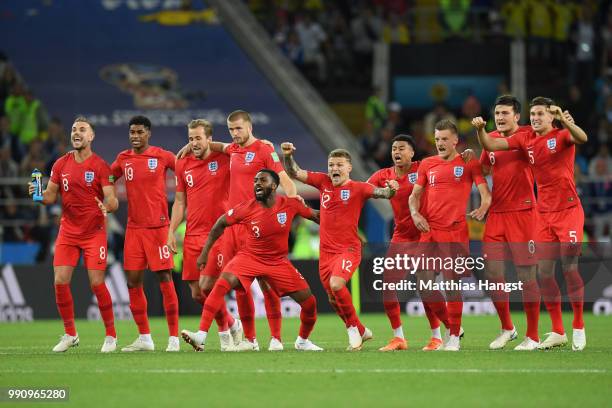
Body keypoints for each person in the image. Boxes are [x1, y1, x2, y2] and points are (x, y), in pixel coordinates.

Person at [178, 110, 298, 351]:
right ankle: (250, 340)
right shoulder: (232, 149)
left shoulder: (264, 150)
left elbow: (283, 179)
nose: (234, 134)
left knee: (266, 283)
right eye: (231, 130)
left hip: (259, 224)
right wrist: (189, 145)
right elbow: (213, 144)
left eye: (239, 129)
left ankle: (276, 338)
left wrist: (293, 201)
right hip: (234, 227)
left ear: (250, 127)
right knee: (240, 286)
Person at [475, 97, 588, 351]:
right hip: (543, 213)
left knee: (569, 268)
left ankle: (578, 325)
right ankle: (558, 331)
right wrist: (480, 130)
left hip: (565, 210)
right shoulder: (525, 140)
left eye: (540, 114)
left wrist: (567, 121)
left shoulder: (561, 136)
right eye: (533, 113)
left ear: (551, 117)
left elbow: (582, 138)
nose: (535, 117)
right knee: (544, 273)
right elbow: (491, 145)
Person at [180, 169, 322, 352]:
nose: (256, 184)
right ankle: (201, 335)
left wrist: (339, 220)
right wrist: (205, 253)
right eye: (255, 180)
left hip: (278, 261)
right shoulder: (246, 208)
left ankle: (302, 341)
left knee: (310, 304)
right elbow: (220, 224)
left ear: (274, 185)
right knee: (221, 284)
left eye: (262, 180)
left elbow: (316, 216)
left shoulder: (290, 204)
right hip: (250, 257)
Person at [282, 145, 397, 350]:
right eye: (331, 165)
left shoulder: (359, 188)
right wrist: (288, 155)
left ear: (349, 168)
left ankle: (353, 329)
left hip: (349, 249)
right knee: (333, 298)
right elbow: (294, 172)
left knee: (337, 285)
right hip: (326, 252)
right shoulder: (323, 182)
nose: (334, 168)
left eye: (339, 165)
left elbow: (384, 193)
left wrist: (392, 188)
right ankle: (362, 330)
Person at [28, 116, 118, 353]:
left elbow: (112, 199)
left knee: (97, 283)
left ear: (91, 136)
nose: (76, 133)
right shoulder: (60, 164)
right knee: (59, 281)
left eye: (82, 130)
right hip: (68, 231)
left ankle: (111, 336)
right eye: (73, 129)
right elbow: (49, 197)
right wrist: (36, 194)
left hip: (94, 232)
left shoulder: (100, 166)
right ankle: (70, 334)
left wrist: (106, 207)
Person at [408, 119, 491, 352]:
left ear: (455, 140)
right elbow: (413, 196)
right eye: (437, 139)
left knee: (450, 283)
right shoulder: (427, 164)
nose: (440, 143)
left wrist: (484, 207)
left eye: (445, 139)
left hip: (454, 231)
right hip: (429, 230)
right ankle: (451, 324)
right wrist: (415, 214)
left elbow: (485, 192)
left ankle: (453, 336)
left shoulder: (468, 162)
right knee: (423, 284)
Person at [472, 95, 540, 351]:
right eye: (497, 113)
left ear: (517, 116)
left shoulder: (526, 135)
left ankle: (532, 336)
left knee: (526, 275)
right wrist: (486, 196)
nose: (499, 117)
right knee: (492, 273)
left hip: (523, 214)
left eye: (505, 113)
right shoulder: (489, 138)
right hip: (498, 215)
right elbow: (481, 169)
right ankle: (507, 329)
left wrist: (480, 132)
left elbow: (490, 142)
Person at [168, 119, 242, 351]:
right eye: (190, 139)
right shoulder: (183, 164)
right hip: (192, 234)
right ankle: (231, 323)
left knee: (207, 286)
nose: (193, 143)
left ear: (209, 138)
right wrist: (171, 231)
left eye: (198, 138)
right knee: (197, 293)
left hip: (218, 233)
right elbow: (180, 201)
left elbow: (240, 148)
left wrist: (214, 146)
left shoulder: (224, 158)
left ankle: (221, 335)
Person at [111, 115, 180, 352]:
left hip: (159, 228)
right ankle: (145, 338)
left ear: (148, 133)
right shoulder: (123, 158)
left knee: (164, 278)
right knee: (133, 282)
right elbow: (106, 179)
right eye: (132, 132)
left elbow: (185, 167)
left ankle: (173, 339)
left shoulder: (161, 155)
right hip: (133, 229)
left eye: (140, 132)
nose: (135, 136)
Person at [366, 134, 421, 351]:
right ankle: (399, 337)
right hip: (402, 237)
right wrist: (384, 191)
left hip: (426, 235)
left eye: (401, 148)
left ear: (412, 152)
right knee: (388, 286)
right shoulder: (384, 175)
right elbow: (363, 190)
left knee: (429, 288)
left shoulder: (423, 168)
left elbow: (445, 165)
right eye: (393, 148)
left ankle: (442, 334)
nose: (396, 152)